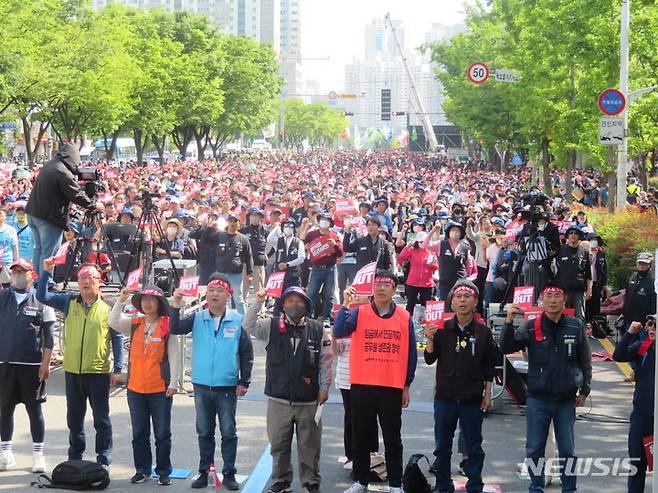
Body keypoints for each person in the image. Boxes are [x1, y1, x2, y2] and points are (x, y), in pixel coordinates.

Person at [501, 282, 592, 493]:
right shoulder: (531, 326)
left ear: (564, 299)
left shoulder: (575, 326)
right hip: (537, 399)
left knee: (567, 450)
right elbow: (506, 348)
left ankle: (570, 489)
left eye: (557, 296)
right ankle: (536, 487)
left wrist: (585, 390)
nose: (552, 300)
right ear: (542, 299)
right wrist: (508, 322)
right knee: (534, 450)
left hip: (565, 399)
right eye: (548, 296)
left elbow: (585, 361)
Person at [243, 286, 332, 493]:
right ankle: (281, 481)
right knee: (278, 446)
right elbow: (247, 326)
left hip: (308, 400)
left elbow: (326, 361)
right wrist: (258, 302)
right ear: (282, 305)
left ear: (307, 305)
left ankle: (311, 482)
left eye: (299, 301)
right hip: (278, 399)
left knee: (310, 447)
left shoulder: (319, 329)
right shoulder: (271, 325)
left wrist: (325, 387)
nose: (294, 305)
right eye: (289, 301)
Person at [334, 270, 417, 493]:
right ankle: (361, 480)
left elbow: (411, 355)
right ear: (372, 288)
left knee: (392, 438)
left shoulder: (403, 316)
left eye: (386, 284)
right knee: (361, 436)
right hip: (362, 384)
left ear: (394, 290)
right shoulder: (359, 312)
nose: (381, 288)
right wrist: (344, 304)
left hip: (391, 385)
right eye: (378, 284)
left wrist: (406, 384)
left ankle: (395, 484)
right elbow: (339, 330)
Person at [169, 274, 253, 490]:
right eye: (212, 290)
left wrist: (244, 381)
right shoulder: (197, 318)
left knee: (228, 432)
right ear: (206, 294)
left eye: (220, 291)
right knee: (204, 432)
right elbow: (175, 327)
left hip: (227, 386)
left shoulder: (237, 319)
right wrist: (175, 304)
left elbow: (246, 353)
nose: (215, 294)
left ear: (228, 295)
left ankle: (229, 473)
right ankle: (204, 471)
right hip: (201, 385)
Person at [36, 260, 124, 468]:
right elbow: (42, 296)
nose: (85, 282)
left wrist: (119, 369)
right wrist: (47, 272)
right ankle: (75, 458)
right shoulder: (69, 301)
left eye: (90, 278)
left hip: (98, 371)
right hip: (73, 371)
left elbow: (117, 338)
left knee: (101, 420)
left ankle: (103, 459)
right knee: (74, 420)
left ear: (99, 282)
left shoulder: (109, 305)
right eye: (82, 278)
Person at [424, 280, 497, 493]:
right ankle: (443, 485)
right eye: (458, 297)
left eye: (467, 297)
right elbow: (430, 358)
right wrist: (429, 339)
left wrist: (488, 394)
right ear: (452, 303)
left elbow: (489, 366)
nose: (462, 300)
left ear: (475, 302)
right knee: (442, 448)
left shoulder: (483, 332)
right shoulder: (442, 329)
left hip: (472, 398)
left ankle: (475, 485)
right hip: (445, 397)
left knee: (474, 447)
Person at [109, 286, 182, 486]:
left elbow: (174, 355)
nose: (148, 303)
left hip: (160, 389)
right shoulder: (135, 323)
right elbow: (113, 321)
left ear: (159, 304)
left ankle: (164, 470)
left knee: (162, 434)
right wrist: (121, 299)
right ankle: (142, 470)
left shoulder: (167, 325)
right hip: (135, 389)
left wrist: (174, 382)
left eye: (152, 299)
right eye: (144, 299)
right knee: (139, 433)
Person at [0, 259, 56, 473]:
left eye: (22, 271)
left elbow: (49, 335)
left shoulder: (42, 299)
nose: (17, 275)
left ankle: (38, 455)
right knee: (5, 409)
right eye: (14, 272)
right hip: (5, 363)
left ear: (32, 275)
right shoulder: (3, 296)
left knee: (34, 410)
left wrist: (46, 362)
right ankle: (6, 453)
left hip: (32, 364)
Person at [25, 143, 103, 278]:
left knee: (38, 250)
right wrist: (93, 205)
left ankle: (37, 281)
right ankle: (46, 283)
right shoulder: (62, 171)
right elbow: (75, 194)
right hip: (48, 217)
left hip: (34, 214)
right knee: (49, 252)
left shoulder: (50, 165)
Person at [613, 316, 655, 493]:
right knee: (637, 464)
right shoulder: (644, 346)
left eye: (657, 325)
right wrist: (630, 333)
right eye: (650, 324)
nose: (652, 328)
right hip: (642, 415)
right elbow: (618, 355)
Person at [301, 213, 343, 322]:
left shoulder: (334, 235)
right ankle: (309, 316)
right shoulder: (312, 234)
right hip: (316, 268)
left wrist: (335, 245)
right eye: (322, 219)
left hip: (330, 268)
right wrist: (305, 246)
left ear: (330, 223)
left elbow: (340, 253)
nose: (324, 221)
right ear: (319, 221)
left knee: (329, 295)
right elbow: (302, 242)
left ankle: (327, 318)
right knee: (311, 293)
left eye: (326, 220)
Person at [214, 214, 253, 314]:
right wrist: (210, 227)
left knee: (238, 299)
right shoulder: (219, 235)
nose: (232, 223)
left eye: (235, 221)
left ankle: (243, 322)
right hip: (221, 273)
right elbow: (206, 241)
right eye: (230, 221)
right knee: (221, 298)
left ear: (239, 224)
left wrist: (249, 273)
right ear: (227, 222)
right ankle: (220, 318)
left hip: (236, 273)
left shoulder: (243, 238)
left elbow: (249, 256)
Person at [425, 220, 471, 301]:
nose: (455, 232)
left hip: (460, 281)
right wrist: (434, 230)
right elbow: (425, 244)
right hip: (445, 281)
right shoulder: (441, 244)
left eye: (457, 231)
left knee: (458, 303)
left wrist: (465, 276)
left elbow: (469, 264)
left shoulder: (465, 247)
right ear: (448, 232)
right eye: (453, 230)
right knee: (446, 304)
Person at [397, 231, 438, 315]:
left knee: (427, 306)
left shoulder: (431, 251)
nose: (423, 243)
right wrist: (407, 246)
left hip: (427, 283)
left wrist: (431, 265)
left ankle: (426, 326)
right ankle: (408, 324)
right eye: (420, 241)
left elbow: (436, 266)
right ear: (417, 241)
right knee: (410, 305)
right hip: (412, 282)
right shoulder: (412, 250)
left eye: (425, 241)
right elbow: (401, 258)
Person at [556, 226, 592, 323]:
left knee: (579, 316)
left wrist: (589, 290)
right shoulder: (561, 250)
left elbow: (589, 274)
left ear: (579, 236)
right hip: (564, 289)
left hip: (579, 290)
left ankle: (580, 336)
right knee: (564, 316)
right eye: (571, 233)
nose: (573, 235)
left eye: (576, 233)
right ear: (567, 236)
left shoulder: (584, 252)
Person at [621, 252, 656, 334]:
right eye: (640, 263)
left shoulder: (652, 280)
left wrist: (650, 320)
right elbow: (627, 296)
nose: (641, 265)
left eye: (644, 263)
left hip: (643, 323)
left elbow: (654, 302)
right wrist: (623, 312)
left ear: (649, 265)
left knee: (640, 345)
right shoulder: (633, 277)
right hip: (629, 320)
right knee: (627, 344)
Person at [241, 207, 268, 306]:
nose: (253, 218)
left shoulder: (265, 230)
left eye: (256, 216)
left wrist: (267, 255)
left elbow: (273, 245)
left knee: (259, 289)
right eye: (252, 216)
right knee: (244, 289)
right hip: (246, 264)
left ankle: (261, 311)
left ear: (260, 217)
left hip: (258, 264)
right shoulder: (244, 230)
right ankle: (242, 311)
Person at [0, 208, 19, 287]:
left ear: (4, 216)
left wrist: (16, 262)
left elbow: (15, 246)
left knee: (6, 285)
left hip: (7, 262)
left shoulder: (11, 230)